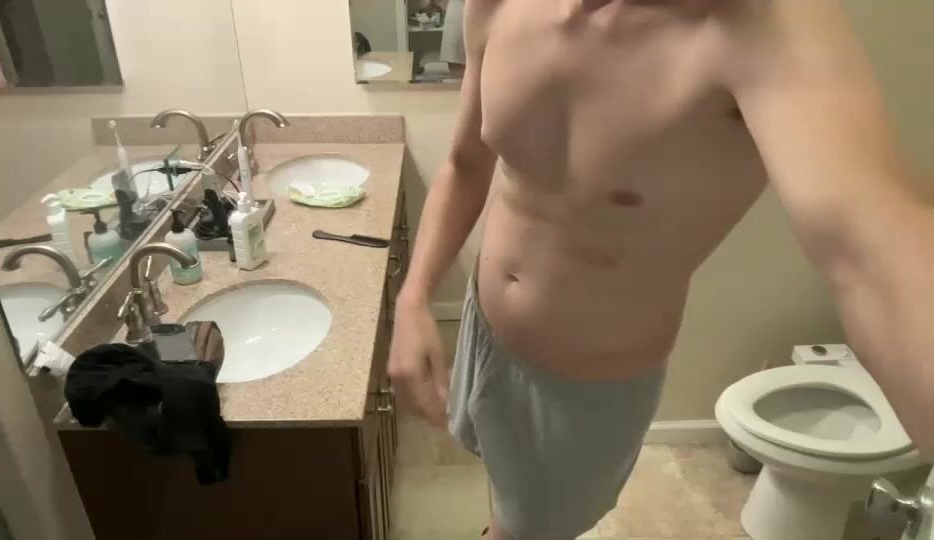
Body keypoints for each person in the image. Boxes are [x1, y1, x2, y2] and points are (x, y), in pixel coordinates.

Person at [388, 1, 934, 539]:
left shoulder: (759, 20)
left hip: (584, 385)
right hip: (486, 330)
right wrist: (413, 297)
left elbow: (870, 246)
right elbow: (465, 163)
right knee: (505, 491)